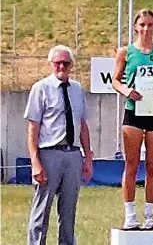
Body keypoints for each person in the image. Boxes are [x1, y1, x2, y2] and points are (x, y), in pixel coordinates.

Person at [24, 45, 93, 245]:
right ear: (51, 64)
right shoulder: (41, 88)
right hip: (49, 153)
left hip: (72, 155)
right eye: (58, 63)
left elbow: (82, 125)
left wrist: (87, 158)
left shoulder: (77, 89)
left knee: (68, 211)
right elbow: (33, 129)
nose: (62, 66)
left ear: (71, 65)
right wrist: (35, 162)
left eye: (66, 63)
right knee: (41, 211)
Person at [112, 8, 153, 229]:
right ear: (136, 27)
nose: (146, 29)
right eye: (142, 25)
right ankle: (130, 214)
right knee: (131, 163)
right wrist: (127, 91)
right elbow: (115, 80)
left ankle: (150, 214)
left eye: (150, 24)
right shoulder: (125, 52)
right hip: (133, 110)